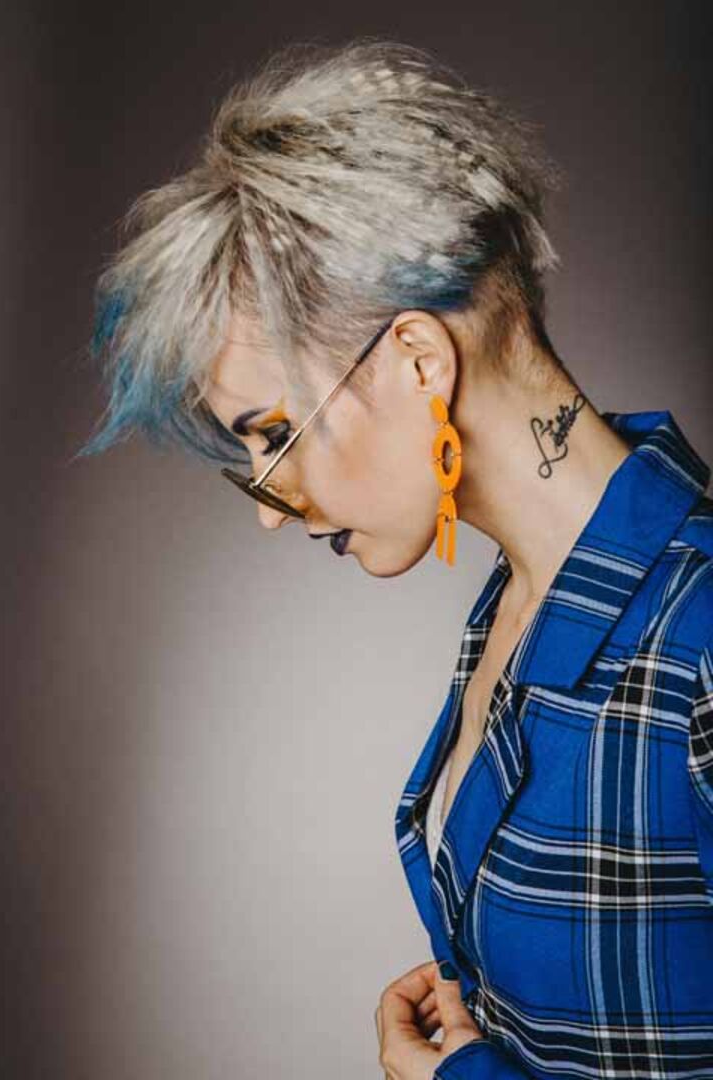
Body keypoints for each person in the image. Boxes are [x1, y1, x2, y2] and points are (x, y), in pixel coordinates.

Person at [76, 37, 713, 1080]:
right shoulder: (518, 604)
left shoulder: (700, 637)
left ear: (418, 360)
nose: (270, 506)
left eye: (272, 432)